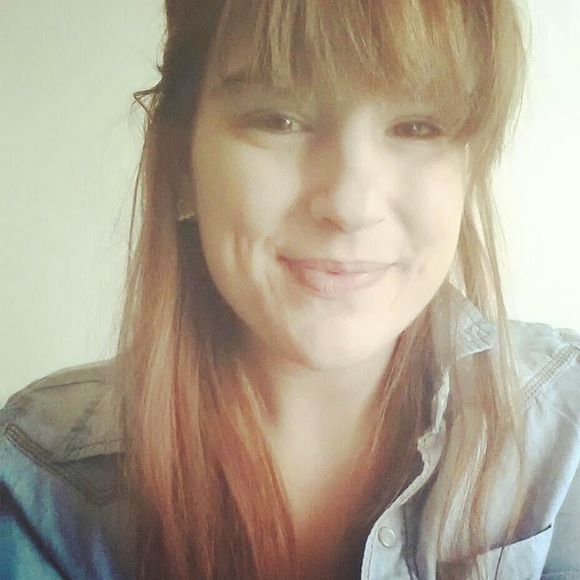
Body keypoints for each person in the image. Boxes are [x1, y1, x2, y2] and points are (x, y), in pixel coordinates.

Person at [1, 0, 579, 578]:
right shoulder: (39, 474)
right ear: (182, 156)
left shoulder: (564, 437)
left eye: (417, 126)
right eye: (279, 119)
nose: (350, 206)